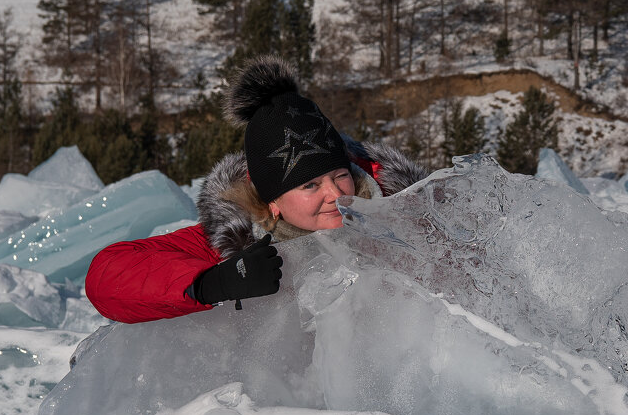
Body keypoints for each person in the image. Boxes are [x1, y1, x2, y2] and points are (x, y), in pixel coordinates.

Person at [85, 56, 427, 324]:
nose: (336, 196)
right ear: (272, 203)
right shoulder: (240, 244)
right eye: (310, 184)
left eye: (340, 175)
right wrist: (214, 282)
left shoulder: (408, 215)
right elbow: (106, 276)